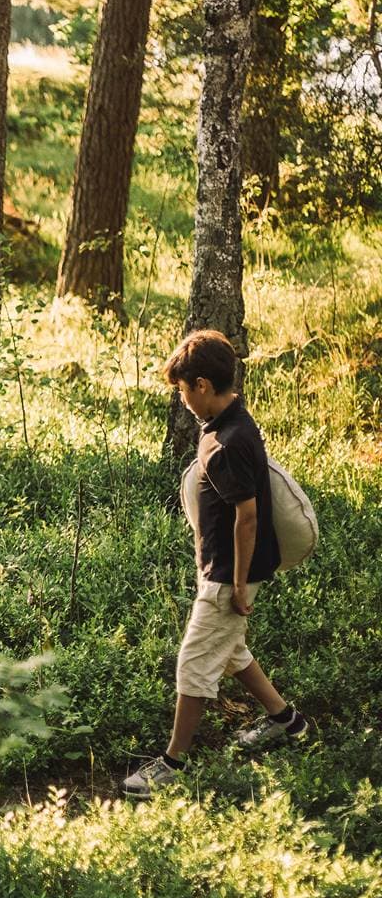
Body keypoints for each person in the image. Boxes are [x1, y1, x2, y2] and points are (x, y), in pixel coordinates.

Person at [122, 330, 308, 797]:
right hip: (225, 568)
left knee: (194, 662)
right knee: (231, 653)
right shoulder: (236, 423)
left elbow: (248, 517)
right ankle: (288, 724)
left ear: (202, 385)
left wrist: (239, 583)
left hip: (230, 573)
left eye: (184, 389)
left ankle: (171, 764)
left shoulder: (224, 442)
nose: (182, 399)